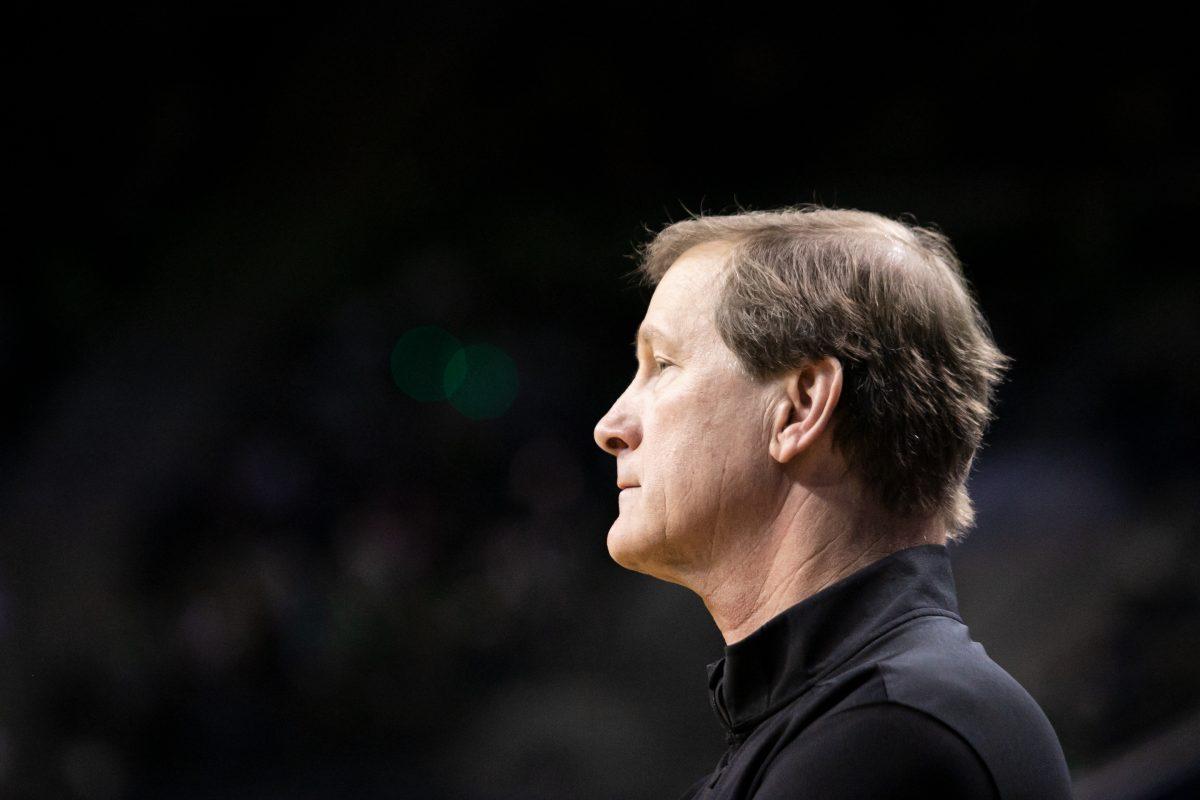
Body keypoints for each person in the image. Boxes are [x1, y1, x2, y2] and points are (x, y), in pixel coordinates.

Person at [592, 205, 1073, 799]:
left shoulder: (887, 737)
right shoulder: (857, 717)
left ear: (799, 408)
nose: (610, 426)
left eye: (662, 365)